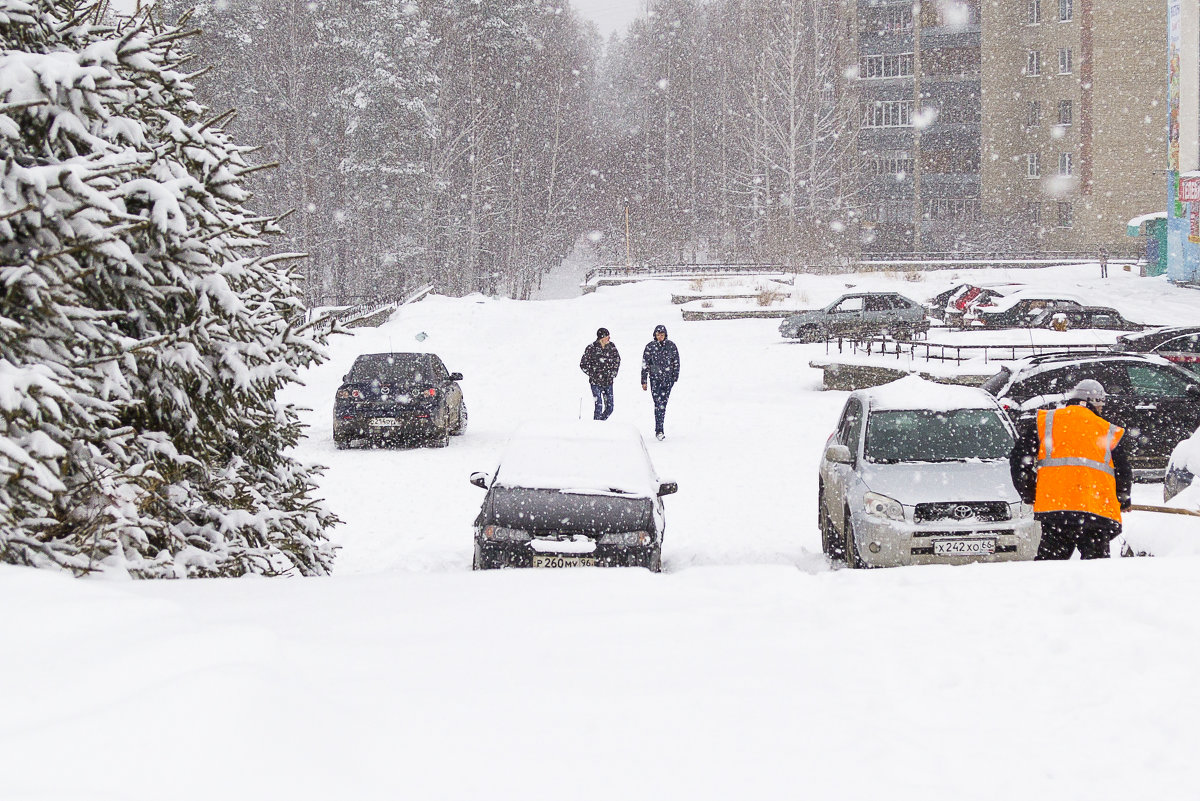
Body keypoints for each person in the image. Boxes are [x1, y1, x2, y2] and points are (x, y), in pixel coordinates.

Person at [1009, 379, 1132, 560]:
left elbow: (1019, 459)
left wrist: (1028, 491)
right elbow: (1123, 471)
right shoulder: (1107, 430)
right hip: (1095, 513)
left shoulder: (1046, 422)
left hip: (1056, 512)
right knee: (1095, 570)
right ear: (1096, 402)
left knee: (1050, 566)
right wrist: (1123, 500)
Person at [640, 324, 681, 440]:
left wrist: (674, 376)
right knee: (658, 404)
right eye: (658, 335)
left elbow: (676, 361)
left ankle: (659, 428)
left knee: (663, 404)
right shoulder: (650, 347)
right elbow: (645, 364)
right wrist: (644, 380)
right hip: (655, 379)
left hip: (667, 379)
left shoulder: (671, 346)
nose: (660, 337)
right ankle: (659, 429)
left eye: (662, 335)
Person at [580, 327, 620, 420]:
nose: (609, 338)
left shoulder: (612, 346)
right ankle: (596, 427)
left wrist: (613, 373)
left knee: (610, 408)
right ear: (602, 337)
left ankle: (599, 424)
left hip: (608, 382)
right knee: (599, 406)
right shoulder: (591, 348)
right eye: (607, 336)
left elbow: (617, 360)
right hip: (595, 383)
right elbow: (583, 364)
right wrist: (593, 374)